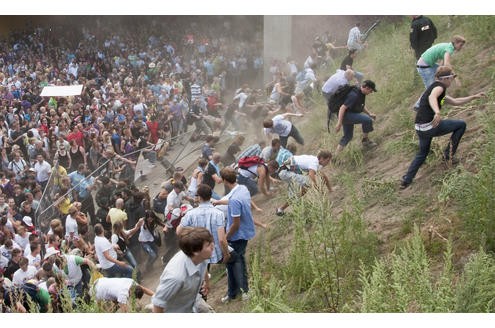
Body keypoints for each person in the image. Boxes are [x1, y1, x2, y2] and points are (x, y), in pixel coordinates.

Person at [400, 66, 486, 189]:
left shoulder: (436, 87)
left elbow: (455, 101)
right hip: (430, 126)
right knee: (461, 125)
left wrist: (474, 96)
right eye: (451, 78)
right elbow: (432, 98)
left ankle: (406, 180)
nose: (452, 80)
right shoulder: (439, 87)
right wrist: (437, 112)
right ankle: (447, 156)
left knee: (422, 153)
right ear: (445, 79)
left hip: (420, 128)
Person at [152, 227, 214, 313]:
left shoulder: (201, 256)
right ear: (195, 251)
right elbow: (157, 304)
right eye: (208, 245)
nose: (213, 245)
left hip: (193, 301)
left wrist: (206, 282)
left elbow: (203, 265)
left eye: (211, 242)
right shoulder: (176, 277)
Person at [219, 167, 256, 303]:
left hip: (237, 235)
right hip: (247, 230)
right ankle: (232, 293)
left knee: (237, 261)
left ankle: (244, 292)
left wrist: (226, 237)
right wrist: (218, 202)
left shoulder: (234, 199)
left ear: (224, 181)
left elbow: (235, 224)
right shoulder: (242, 189)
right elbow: (234, 202)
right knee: (230, 262)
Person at [275, 150, 333, 216]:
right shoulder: (314, 162)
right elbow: (311, 176)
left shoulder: (316, 162)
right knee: (308, 183)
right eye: (328, 161)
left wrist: (330, 189)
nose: (328, 163)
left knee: (299, 192)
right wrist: (319, 189)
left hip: (287, 172)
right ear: (322, 158)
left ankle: (280, 209)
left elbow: (323, 176)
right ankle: (300, 202)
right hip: (285, 172)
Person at [415, 35, 466, 99]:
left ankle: (441, 97)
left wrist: (443, 73)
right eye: (460, 45)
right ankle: (419, 106)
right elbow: (447, 64)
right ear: (455, 43)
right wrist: (456, 78)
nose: (461, 47)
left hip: (429, 64)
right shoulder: (449, 49)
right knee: (430, 89)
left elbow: (443, 63)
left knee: (441, 76)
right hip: (424, 66)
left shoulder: (448, 46)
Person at [335, 80, 378, 154]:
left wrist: (369, 113)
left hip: (348, 114)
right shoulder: (354, 95)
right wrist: (339, 123)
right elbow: (342, 108)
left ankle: (335, 156)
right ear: (367, 88)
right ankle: (365, 141)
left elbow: (361, 106)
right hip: (346, 115)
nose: (370, 93)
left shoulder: (361, 92)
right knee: (367, 120)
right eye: (370, 91)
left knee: (348, 136)